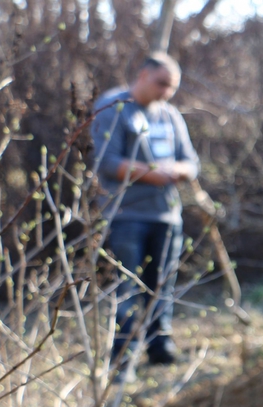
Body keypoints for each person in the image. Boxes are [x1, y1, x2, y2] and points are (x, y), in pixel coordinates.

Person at [91, 53, 199, 370]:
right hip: (126, 215)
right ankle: (123, 354)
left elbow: (191, 163)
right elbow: (107, 162)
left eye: (172, 87)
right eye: (161, 83)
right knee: (128, 286)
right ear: (142, 75)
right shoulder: (114, 107)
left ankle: (159, 346)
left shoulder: (170, 116)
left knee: (162, 285)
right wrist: (152, 173)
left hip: (166, 215)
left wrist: (175, 171)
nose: (166, 91)